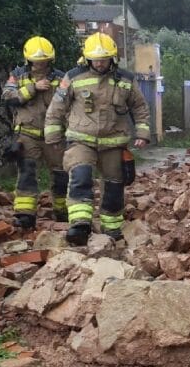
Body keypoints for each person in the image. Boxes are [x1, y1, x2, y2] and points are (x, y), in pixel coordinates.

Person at [44, 33, 150, 245]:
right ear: (86, 58)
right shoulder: (73, 77)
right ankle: (79, 224)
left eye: (104, 58)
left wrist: (143, 133)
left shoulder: (126, 80)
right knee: (80, 176)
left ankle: (111, 228)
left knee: (114, 185)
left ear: (113, 58)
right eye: (95, 59)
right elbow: (57, 107)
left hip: (113, 143)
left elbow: (139, 107)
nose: (99, 63)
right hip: (81, 141)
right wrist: (53, 135)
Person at [1, 37, 68, 228]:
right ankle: (25, 215)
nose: (40, 64)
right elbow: (7, 96)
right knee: (27, 173)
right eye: (37, 60)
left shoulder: (60, 78)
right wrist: (32, 88)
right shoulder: (17, 75)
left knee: (61, 174)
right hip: (27, 134)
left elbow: (70, 102)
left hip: (54, 135)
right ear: (28, 59)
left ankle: (62, 211)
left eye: (44, 60)